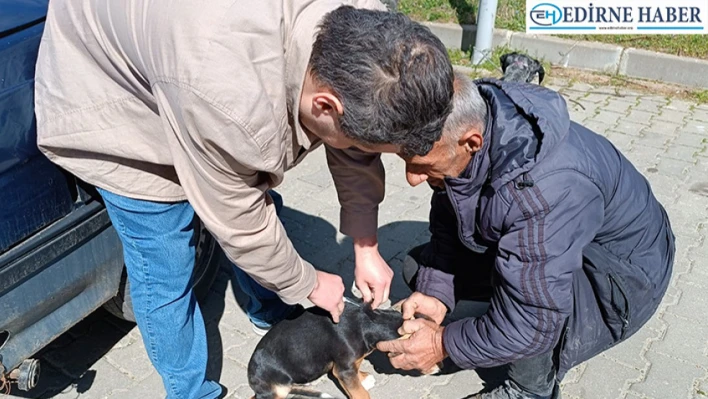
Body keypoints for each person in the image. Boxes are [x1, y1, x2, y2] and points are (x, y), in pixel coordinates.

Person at [33, 1, 454, 398]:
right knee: (165, 266)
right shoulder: (225, 97)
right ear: (325, 104)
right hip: (114, 98)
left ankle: (268, 308)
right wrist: (306, 283)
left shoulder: (371, 28)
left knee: (252, 204)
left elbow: (352, 146)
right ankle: (191, 391)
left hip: (189, 67)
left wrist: (365, 245)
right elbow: (241, 220)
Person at [375, 73, 675, 399]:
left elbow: (532, 320)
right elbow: (449, 223)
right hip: (556, 243)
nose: (411, 178)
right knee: (418, 269)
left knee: (529, 300)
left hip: (620, 279)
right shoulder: (466, 137)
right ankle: (495, 329)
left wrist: (441, 343)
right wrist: (437, 293)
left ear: (471, 142)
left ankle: (529, 390)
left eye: (421, 165)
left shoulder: (545, 189)